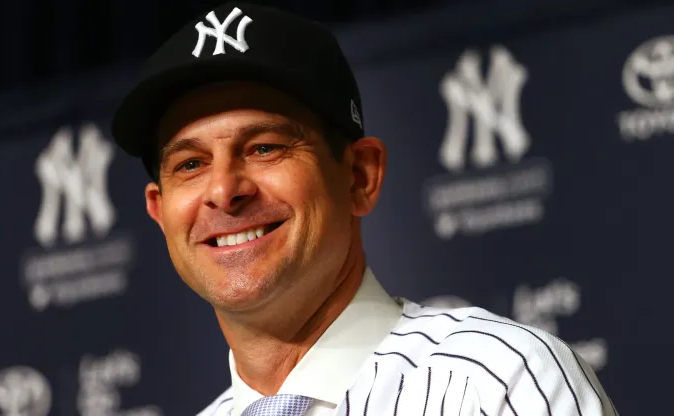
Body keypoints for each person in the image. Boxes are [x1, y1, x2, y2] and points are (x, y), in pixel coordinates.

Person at [110, 2, 618, 415]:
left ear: (360, 176)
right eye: (191, 164)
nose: (224, 190)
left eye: (264, 148)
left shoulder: (496, 383)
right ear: (159, 211)